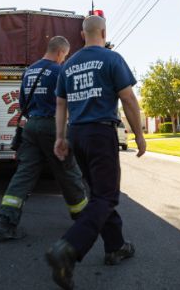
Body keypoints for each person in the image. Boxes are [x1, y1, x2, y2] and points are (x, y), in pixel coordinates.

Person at [45, 15, 146, 289]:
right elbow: (127, 99)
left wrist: (60, 138)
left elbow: (60, 105)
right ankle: (68, 248)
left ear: (81, 34)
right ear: (103, 32)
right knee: (107, 195)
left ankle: (115, 248)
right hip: (101, 133)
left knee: (99, 195)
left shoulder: (68, 66)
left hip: (77, 135)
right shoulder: (111, 59)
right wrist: (138, 134)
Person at [0, 36, 88, 241]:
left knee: (24, 174)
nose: (64, 59)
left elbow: (22, 102)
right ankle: (83, 217)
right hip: (52, 126)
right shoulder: (58, 71)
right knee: (68, 172)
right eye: (64, 55)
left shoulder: (29, 71)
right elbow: (67, 101)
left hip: (31, 126)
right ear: (59, 52)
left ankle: (6, 222)